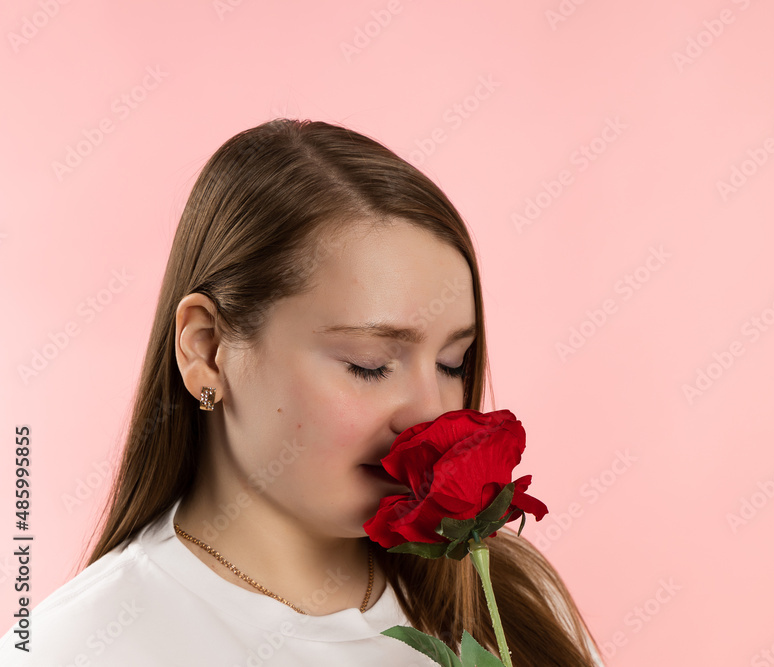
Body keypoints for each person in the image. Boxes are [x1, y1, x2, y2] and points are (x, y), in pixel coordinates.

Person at [0, 119, 605, 665]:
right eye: (369, 365)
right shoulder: (73, 649)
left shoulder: (509, 597)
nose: (431, 414)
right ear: (206, 351)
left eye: (453, 363)